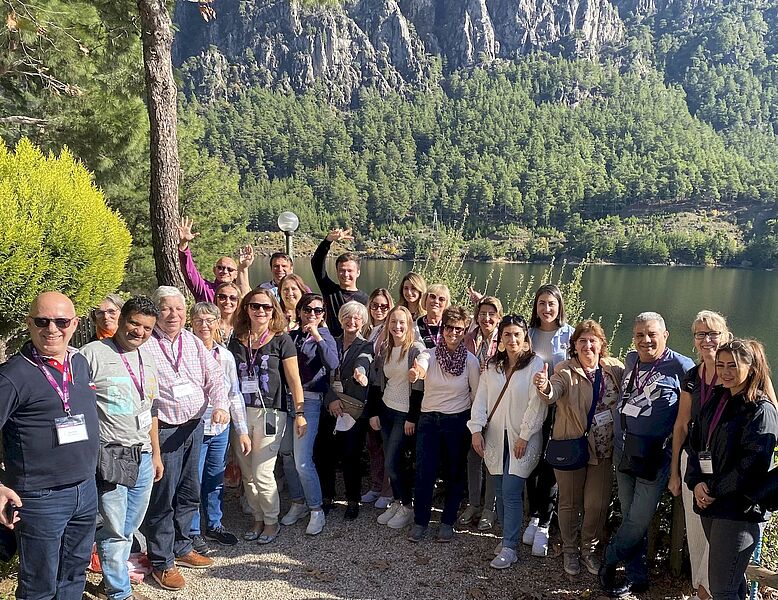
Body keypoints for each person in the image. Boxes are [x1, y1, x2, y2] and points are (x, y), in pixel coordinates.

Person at [0, 292, 99, 600]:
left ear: (74, 324)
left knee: (73, 575)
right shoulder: (12, 375)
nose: (52, 329)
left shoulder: (79, 363)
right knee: (39, 586)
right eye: (42, 321)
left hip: (85, 490)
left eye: (61, 321)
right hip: (41, 498)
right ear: (30, 324)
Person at [141, 286, 232, 591]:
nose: (173, 315)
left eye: (179, 309)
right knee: (162, 498)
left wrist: (220, 405)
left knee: (188, 491)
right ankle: (161, 561)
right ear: (156, 312)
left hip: (194, 427)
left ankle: (182, 546)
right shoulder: (145, 347)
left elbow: (215, 378)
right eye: (166, 309)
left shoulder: (192, 342)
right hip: (164, 431)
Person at [599, 312, 694, 597]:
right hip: (624, 451)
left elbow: (690, 416)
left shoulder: (682, 367)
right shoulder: (631, 360)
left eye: (652, 334)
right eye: (640, 335)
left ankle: (609, 559)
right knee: (630, 515)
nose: (646, 340)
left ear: (665, 335)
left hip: (656, 457)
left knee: (638, 519)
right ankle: (637, 576)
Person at [80, 296, 165, 600]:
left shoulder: (148, 357)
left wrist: (155, 453)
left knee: (130, 525)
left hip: (142, 454)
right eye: (134, 323)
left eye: (146, 328)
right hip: (111, 455)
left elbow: (151, 408)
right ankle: (119, 593)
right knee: (115, 528)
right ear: (122, 319)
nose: (139, 332)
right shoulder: (92, 355)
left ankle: (110, 577)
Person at [685, 339, 778, 600]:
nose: (725, 371)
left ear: (752, 368)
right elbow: (695, 443)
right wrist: (696, 482)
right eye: (721, 364)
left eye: (733, 365)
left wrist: (713, 489)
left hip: (739, 509)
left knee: (722, 589)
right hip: (711, 503)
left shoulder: (760, 410)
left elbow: (751, 466)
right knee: (731, 583)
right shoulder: (718, 399)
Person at [533, 320, 624, 577]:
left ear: (601, 344)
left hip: (603, 450)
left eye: (592, 340)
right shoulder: (565, 370)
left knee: (597, 504)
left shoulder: (613, 369)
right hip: (573, 446)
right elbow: (553, 391)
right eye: (582, 340)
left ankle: (589, 550)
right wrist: (544, 386)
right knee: (570, 503)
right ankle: (571, 549)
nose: (587, 345)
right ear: (574, 345)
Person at [468, 314, 547, 570]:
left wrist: (525, 434)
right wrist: (476, 430)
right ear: (500, 339)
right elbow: (481, 399)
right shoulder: (492, 367)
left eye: (517, 334)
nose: (512, 339)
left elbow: (537, 404)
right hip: (494, 438)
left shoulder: (536, 365)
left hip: (522, 438)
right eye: (507, 335)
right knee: (500, 492)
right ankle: (506, 539)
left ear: (525, 338)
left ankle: (510, 547)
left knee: (512, 491)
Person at [227, 289, 305, 544]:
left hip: (271, 413)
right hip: (240, 412)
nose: (261, 311)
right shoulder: (236, 340)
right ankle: (257, 518)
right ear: (246, 309)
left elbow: (294, 380)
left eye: (267, 307)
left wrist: (301, 412)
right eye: (255, 306)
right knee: (247, 473)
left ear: (274, 311)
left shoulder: (282, 340)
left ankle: (272, 521)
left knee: (262, 472)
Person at [668, 310, 732, 600]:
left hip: (727, 466)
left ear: (725, 335)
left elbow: (768, 407)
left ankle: (708, 593)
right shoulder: (692, 375)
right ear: (694, 339)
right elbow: (681, 424)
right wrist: (674, 471)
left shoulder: (736, 370)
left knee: (722, 535)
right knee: (697, 535)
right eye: (700, 334)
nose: (707, 340)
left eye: (713, 333)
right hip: (694, 463)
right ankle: (700, 590)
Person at [408, 306, 480, 542]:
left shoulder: (470, 361)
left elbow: (476, 394)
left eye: (458, 329)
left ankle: (447, 521)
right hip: (429, 421)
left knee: (454, 474)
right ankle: (421, 521)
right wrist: (416, 372)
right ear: (443, 329)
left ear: (464, 331)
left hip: (456, 422)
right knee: (424, 473)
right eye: (449, 327)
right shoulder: (430, 354)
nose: (453, 333)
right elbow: (421, 366)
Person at [188, 302, 251, 553]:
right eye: (199, 320)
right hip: (194, 427)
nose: (204, 325)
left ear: (216, 323)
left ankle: (214, 524)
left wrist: (243, 430)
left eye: (209, 320)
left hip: (219, 430)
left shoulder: (224, 356)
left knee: (215, 479)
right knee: (192, 481)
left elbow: (233, 393)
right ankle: (191, 531)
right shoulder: (185, 352)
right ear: (191, 322)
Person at [279, 293, 338, 535]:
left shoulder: (325, 336)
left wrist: (316, 335)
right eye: (307, 310)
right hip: (288, 401)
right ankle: (298, 502)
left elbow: (333, 363)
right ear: (300, 311)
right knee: (287, 455)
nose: (312, 314)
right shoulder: (292, 336)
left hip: (311, 401)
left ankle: (316, 509)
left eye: (317, 310)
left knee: (303, 460)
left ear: (323, 314)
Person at [367, 306, 429, 530]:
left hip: (404, 414)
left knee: (394, 461)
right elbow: (376, 384)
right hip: (386, 409)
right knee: (390, 460)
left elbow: (420, 385)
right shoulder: (385, 349)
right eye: (393, 322)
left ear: (409, 325)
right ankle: (397, 501)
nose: (397, 326)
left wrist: (413, 417)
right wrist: (374, 412)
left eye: (402, 322)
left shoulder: (414, 350)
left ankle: (406, 506)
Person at [524, 284, 574, 556]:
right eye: (541, 303)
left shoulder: (569, 334)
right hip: (531, 405)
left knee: (550, 462)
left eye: (551, 304)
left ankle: (545, 520)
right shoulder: (528, 334)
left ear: (559, 306)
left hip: (560, 407)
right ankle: (533, 514)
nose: (546, 309)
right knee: (532, 458)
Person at [325, 301, 374, 519]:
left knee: (350, 456)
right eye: (347, 317)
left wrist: (360, 373)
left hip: (353, 410)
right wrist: (331, 399)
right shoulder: (331, 343)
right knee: (326, 454)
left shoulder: (366, 346)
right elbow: (321, 374)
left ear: (363, 322)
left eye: (356, 318)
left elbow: (364, 362)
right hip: (331, 406)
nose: (351, 321)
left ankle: (353, 500)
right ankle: (328, 496)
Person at [460, 295, 503, 529]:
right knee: (473, 457)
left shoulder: (505, 340)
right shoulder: (470, 338)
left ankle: (490, 508)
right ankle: (474, 503)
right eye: (482, 313)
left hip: (497, 408)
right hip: (473, 406)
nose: (487, 318)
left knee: (492, 459)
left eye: (491, 314)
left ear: (499, 317)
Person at [362, 288, 394, 508]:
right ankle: (375, 485)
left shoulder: (390, 330)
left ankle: (387, 489)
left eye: (384, 306)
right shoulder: (367, 330)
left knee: (386, 443)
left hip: (384, 393)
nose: (379, 310)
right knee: (372, 443)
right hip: (366, 394)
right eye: (375, 305)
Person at [311, 227, 368, 336]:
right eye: (341, 270)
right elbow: (316, 263)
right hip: (332, 344)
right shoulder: (330, 291)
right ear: (337, 271)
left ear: (358, 272)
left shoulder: (365, 299)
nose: (345, 274)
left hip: (355, 347)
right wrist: (328, 241)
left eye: (350, 271)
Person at [177, 215, 245, 303]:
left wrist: (244, 268)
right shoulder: (204, 289)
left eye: (230, 269)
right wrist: (183, 244)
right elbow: (189, 272)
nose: (225, 271)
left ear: (236, 274)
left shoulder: (238, 295)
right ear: (214, 270)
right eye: (220, 267)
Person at [415, 284, 450, 349]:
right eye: (432, 297)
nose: (436, 301)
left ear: (446, 304)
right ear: (425, 299)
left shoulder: (450, 326)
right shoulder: (415, 326)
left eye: (441, 299)